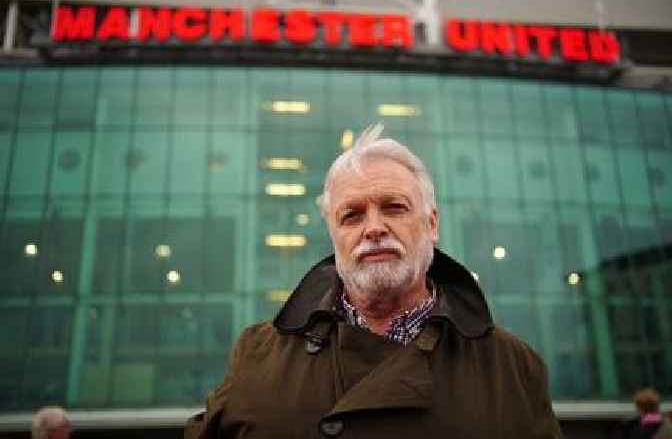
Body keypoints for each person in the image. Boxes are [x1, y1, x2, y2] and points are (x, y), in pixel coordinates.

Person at [185, 124, 563, 439]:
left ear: (431, 224)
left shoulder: (511, 365)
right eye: (351, 216)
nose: (374, 228)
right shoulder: (258, 353)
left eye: (394, 208)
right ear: (333, 235)